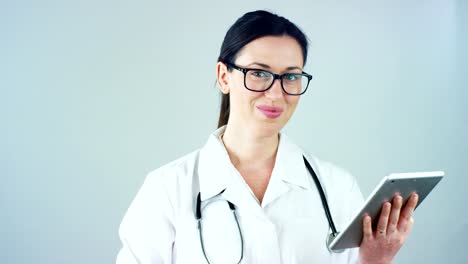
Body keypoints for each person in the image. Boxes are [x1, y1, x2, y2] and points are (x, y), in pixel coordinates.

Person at [116, 10, 418, 264]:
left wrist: (375, 260)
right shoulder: (168, 189)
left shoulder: (337, 188)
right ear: (224, 77)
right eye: (259, 73)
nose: (276, 93)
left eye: (290, 76)